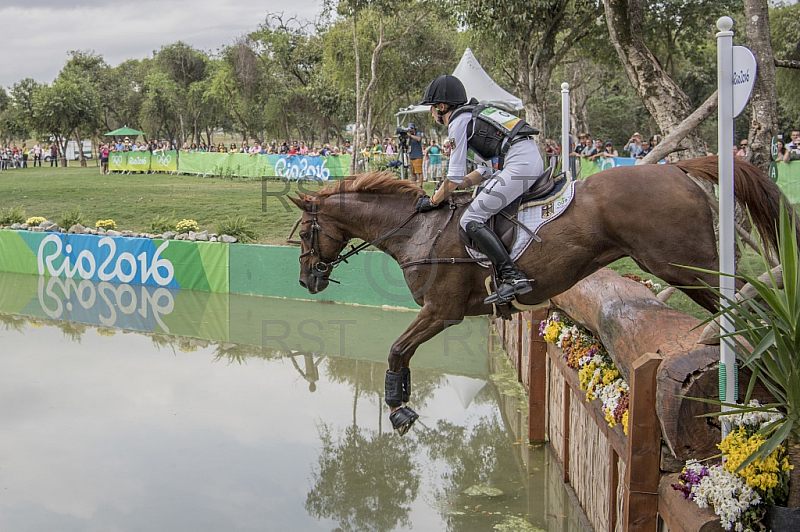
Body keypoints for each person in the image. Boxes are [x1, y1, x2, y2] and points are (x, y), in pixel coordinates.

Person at [414, 74, 542, 305]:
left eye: (432, 108)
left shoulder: (458, 122)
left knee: (470, 219)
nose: (431, 113)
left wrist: (433, 201)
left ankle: (512, 277)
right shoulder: (472, 116)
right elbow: (485, 169)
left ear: (442, 107)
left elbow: (452, 177)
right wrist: (462, 185)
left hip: (521, 163)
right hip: (524, 159)